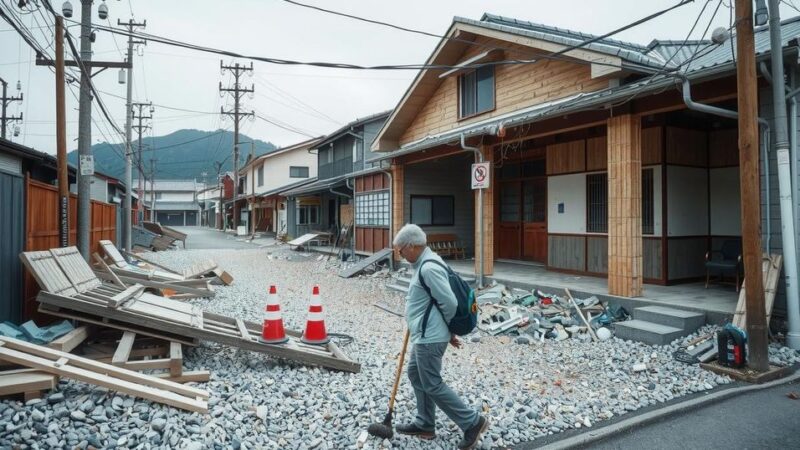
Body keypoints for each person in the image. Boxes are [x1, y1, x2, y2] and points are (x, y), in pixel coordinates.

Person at [392, 223, 489, 450]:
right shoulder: (425, 262)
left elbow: (449, 302)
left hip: (430, 337)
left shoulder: (428, 268)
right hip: (426, 333)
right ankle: (425, 424)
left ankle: (472, 422)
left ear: (413, 246)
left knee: (433, 384)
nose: (400, 255)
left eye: (401, 250)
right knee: (416, 374)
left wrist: (447, 331)